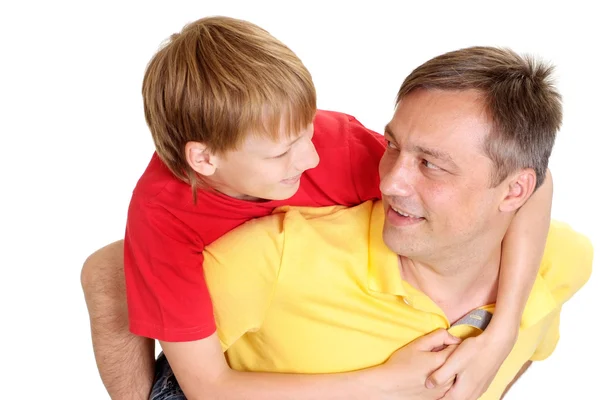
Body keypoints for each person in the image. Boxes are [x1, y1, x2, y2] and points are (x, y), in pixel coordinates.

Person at [80, 17, 552, 399]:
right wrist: (385, 383)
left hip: (288, 308)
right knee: (107, 273)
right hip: (225, 349)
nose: (309, 159)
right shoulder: (165, 216)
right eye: (282, 152)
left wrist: (502, 333)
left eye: (306, 132)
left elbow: (533, 178)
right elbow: (208, 386)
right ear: (205, 159)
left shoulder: (329, 146)